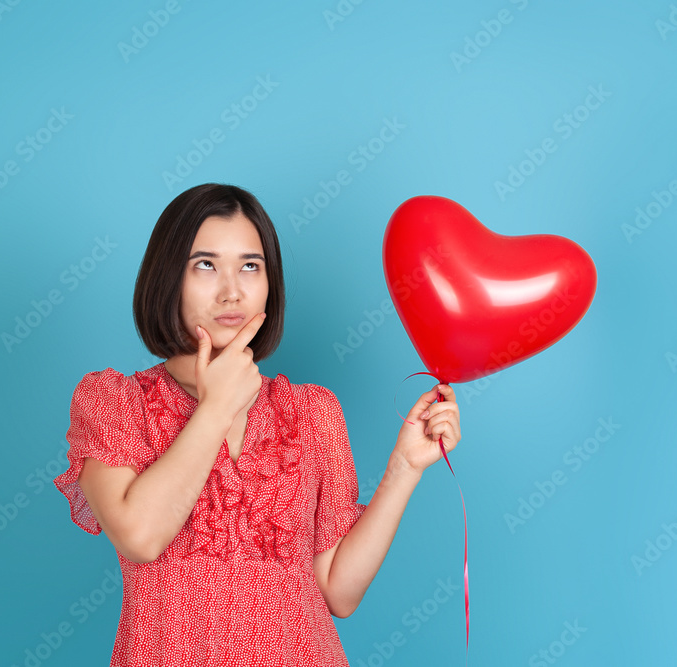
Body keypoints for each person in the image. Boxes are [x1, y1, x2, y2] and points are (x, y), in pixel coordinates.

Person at [52, 183, 462, 666]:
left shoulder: (312, 413)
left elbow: (338, 592)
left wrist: (404, 468)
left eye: (251, 265)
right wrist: (216, 407)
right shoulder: (115, 401)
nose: (232, 290)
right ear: (167, 278)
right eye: (205, 265)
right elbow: (140, 537)